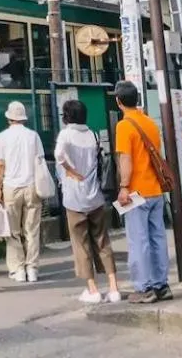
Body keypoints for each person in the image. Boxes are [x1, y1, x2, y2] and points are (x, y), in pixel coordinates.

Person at [53, 98, 121, 304]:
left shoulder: (65, 134)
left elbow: (58, 155)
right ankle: (114, 288)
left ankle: (93, 290)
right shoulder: (92, 134)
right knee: (102, 241)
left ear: (66, 116)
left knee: (81, 244)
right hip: (95, 196)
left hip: (74, 198)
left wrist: (71, 172)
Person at [113, 79, 171, 303]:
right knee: (157, 238)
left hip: (136, 193)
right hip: (155, 189)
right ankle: (161, 285)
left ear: (118, 101)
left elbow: (126, 159)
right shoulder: (149, 122)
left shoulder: (124, 126)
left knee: (138, 241)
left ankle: (144, 288)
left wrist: (124, 186)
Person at [0, 100, 43, 283]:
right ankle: (32, 269)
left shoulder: (2, 137)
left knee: (13, 231)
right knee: (32, 230)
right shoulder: (33, 136)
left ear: (9, 118)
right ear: (23, 118)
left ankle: (18, 269)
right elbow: (40, 161)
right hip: (32, 186)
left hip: (11, 187)